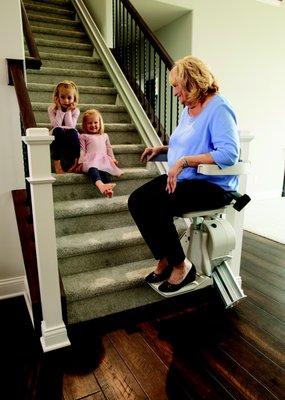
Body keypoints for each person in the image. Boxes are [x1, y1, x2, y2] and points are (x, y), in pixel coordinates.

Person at [128, 55, 240, 293]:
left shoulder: (219, 107)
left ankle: (182, 266)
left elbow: (228, 153)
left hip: (214, 187)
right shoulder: (188, 110)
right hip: (188, 180)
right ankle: (166, 258)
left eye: (177, 86)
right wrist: (164, 150)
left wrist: (184, 161)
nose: (175, 92)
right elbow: (190, 145)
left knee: (158, 204)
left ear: (192, 81)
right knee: (137, 200)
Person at [76, 109, 123, 198]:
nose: (93, 125)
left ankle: (107, 190)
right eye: (89, 123)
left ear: (100, 123)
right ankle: (101, 185)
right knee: (93, 169)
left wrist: (112, 159)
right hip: (90, 160)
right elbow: (82, 150)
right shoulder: (84, 136)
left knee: (105, 172)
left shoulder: (104, 136)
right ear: (85, 125)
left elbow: (109, 148)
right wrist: (81, 163)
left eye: (95, 122)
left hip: (103, 160)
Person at [48, 80, 80, 174]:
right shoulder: (52, 108)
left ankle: (76, 163)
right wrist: (59, 110)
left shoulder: (75, 110)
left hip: (70, 133)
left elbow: (71, 126)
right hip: (57, 132)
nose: (66, 100)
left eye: (69, 98)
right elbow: (56, 125)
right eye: (62, 97)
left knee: (73, 132)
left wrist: (69, 111)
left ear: (74, 99)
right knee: (58, 130)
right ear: (57, 97)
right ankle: (57, 164)